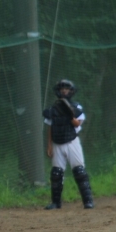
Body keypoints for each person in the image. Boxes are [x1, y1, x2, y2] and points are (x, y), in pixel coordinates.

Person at [42, 79, 94, 210]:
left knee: (79, 171)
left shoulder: (76, 107)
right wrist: (49, 145)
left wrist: (69, 114)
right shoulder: (53, 109)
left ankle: (88, 201)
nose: (64, 91)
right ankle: (56, 202)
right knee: (56, 173)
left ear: (71, 91)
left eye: (66, 89)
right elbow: (50, 127)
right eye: (62, 89)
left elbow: (77, 124)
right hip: (57, 143)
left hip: (72, 142)